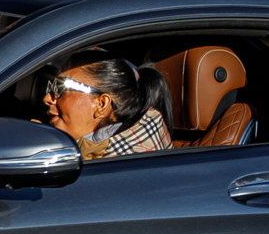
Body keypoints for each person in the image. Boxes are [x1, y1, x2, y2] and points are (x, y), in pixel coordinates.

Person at [41, 52, 172, 159]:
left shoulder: (122, 169)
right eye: (52, 87)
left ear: (101, 105)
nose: (47, 98)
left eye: (61, 88)